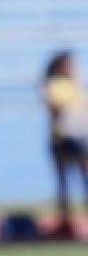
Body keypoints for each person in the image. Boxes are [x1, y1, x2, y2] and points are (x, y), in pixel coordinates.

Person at [41, 50, 88, 238]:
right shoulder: (53, 85)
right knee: (64, 184)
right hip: (63, 140)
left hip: (81, 138)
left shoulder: (77, 86)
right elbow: (55, 108)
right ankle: (66, 224)